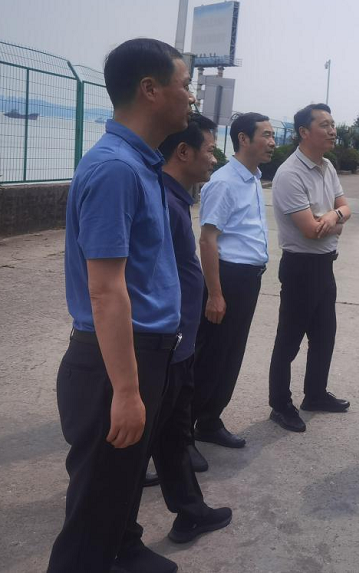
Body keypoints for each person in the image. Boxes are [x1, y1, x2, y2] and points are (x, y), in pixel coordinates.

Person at [48, 38, 193, 573]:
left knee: (120, 487)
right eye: (184, 85)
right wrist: (128, 392)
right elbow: (105, 289)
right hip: (114, 363)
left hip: (144, 352)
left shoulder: (142, 165)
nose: (192, 97)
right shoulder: (115, 170)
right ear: (150, 90)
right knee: (92, 511)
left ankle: (123, 550)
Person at [116, 114, 233, 562]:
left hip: (179, 344)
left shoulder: (176, 198)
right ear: (182, 152)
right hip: (164, 345)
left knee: (174, 435)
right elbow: (136, 283)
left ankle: (190, 509)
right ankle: (122, 542)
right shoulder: (160, 200)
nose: (213, 156)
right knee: (136, 450)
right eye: (207, 148)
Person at [190, 112, 275, 450]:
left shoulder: (253, 177)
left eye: (272, 135)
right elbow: (208, 240)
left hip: (249, 279)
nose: (272, 142)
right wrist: (215, 294)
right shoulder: (223, 182)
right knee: (210, 357)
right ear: (243, 139)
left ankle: (210, 421)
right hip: (227, 278)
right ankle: (183, 435)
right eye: (265, 135)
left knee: (231, 355)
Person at [268, 104, 352, 432]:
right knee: (288, 340)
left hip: (324, 265)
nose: (332, 131)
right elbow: (309, 230)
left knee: (324, 336)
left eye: (333, 124)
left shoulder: (327, 166)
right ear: (304, 132)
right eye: (324, 125)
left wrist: (332, 216)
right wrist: (335, 219)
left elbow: (343, 209)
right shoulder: (290, 174)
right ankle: (280, 404)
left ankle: (315, 394)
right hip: (300, 268)